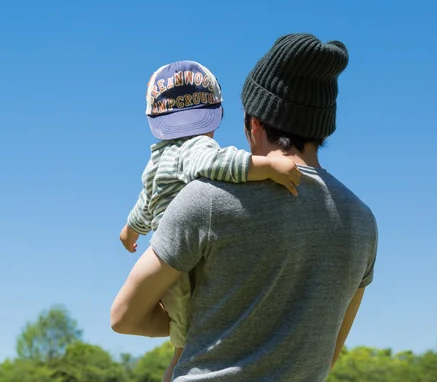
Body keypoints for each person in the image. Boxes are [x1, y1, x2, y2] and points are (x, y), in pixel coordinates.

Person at [110, 34, 378, 381]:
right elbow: (327, 355)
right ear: (322, 128)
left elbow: (123, 317)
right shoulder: (361, 221)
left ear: (254, 123)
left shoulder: (205, 199)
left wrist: (200, 322)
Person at [119, 60, 302, 381]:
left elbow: (145, 205)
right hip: (194, 262)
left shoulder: (157, 159)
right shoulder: (197, 147)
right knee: (202, 336)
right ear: (214, 113)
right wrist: (269, 167)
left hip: (167, 270)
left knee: (182, 346)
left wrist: (129, 231)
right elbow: (221, 163)